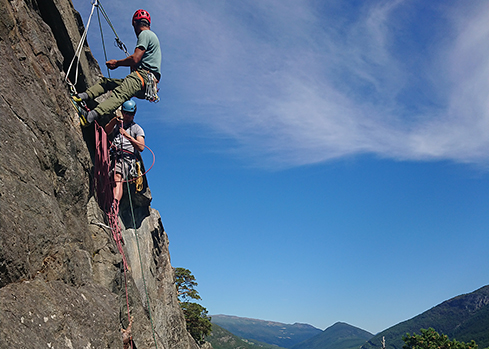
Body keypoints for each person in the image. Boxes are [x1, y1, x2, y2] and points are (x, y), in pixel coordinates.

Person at [74, 9, 161, 124]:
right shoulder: (153, 37)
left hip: (142, 77)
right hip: (147, 83)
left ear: (134, 23)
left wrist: (117, 63)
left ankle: (89, 117)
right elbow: (138, 62)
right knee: (107, 83)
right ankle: (82, 96)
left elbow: (135, 58)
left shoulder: (145, 34)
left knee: (118, 95)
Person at [106, 99, 145, 208]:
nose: (128, 116)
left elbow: (141, 147)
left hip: (126, 158)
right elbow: (106, 131)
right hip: (113, 155)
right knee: (111, 179)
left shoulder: (137, 129)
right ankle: (110, 202)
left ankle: (115, 205)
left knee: (118, 177)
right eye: (126, 113)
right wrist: (113, 121)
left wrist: (127, 136)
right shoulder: (118, 123)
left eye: (130, 114)